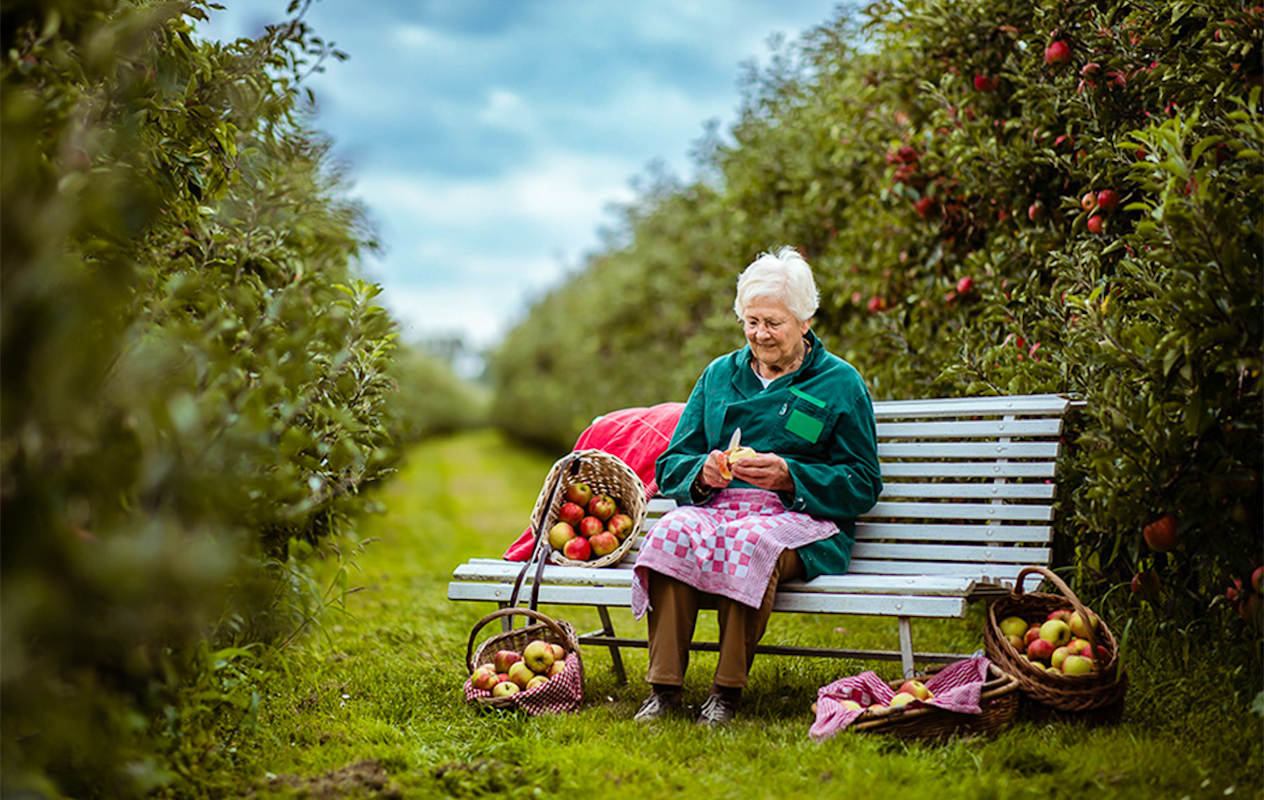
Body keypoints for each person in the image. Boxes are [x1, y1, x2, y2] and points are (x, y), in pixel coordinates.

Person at [629, 246, 883, 726]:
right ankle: (664, 690)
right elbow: (671, 464)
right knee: (672, 529)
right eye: (751, 322)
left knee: (753, 542)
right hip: (717, 509)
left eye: (773, 323)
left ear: (804, 321)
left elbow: (864, 481)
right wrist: (701, 474)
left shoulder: (839, 383)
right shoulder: (719, 375)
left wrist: (792, 477)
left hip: (802, 520)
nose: (760, 335)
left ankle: (726, 693)